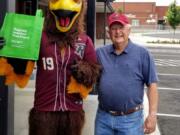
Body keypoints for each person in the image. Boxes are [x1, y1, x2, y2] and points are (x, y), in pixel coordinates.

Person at [0, 0, 100, 135]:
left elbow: (94, 71)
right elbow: (22, 68)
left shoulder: (84, 40)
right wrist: (9, 52)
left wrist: (84, 71)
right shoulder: (40, 37)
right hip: (44, 111)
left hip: (72, 112)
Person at [95, 12, 159, 135]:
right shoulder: (99, 54)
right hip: (103, 119)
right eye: (113, 29)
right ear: (109, 33)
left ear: (129, 30)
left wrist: (152, 115)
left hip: (131, 121)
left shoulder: (143, 54)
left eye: (121, 27)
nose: (117, 32)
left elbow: (152, 85)